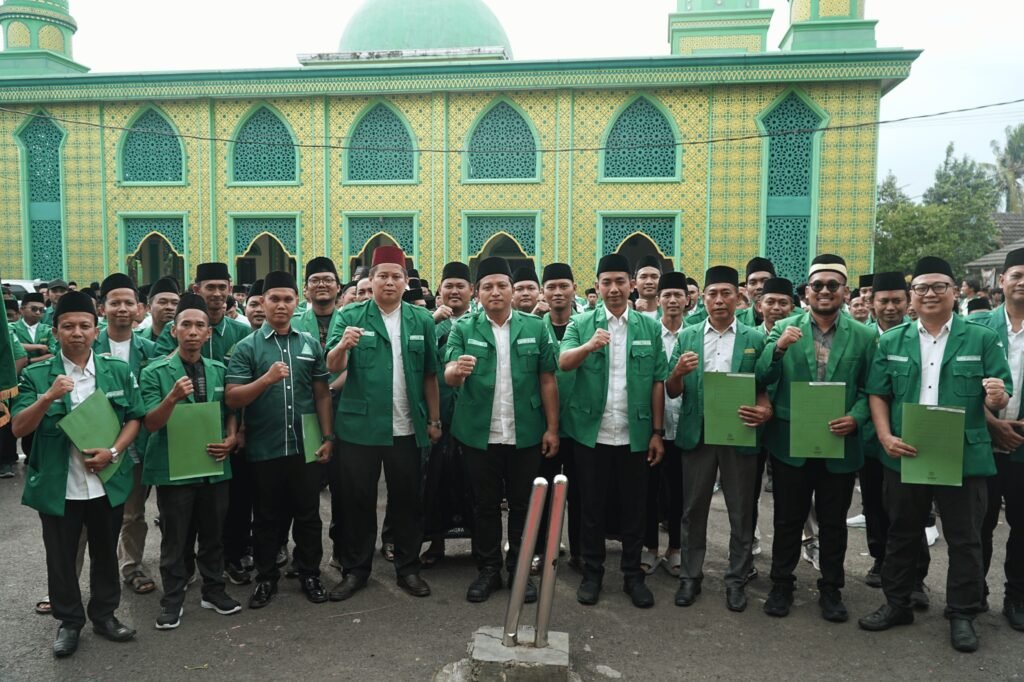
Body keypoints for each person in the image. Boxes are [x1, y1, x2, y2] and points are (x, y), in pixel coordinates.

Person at [859, 256, 1011, 653]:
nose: (930, 294)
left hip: (961, 454)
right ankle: (897, 603)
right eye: (922, 288)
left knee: (965, 537)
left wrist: (997, 397)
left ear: (954, 291)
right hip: (906, 449)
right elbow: (878, 393)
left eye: (939, 286)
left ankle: (962, 614)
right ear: (912, 295)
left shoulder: (980, 338)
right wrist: (885, 436)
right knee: (902, 532)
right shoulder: (892, 340)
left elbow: (999, 393)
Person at [11, 290, 145, 657]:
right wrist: (47, 397)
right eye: (68, 326)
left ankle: (104, 615)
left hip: (106, 482)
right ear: (55, 332)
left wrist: (113, 452)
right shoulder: (38, 375)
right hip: (59, 486)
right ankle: (69, 621)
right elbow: (19, 428)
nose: (77, 333)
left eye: (84, 326)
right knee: (61, 558)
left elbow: (134, 417)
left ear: (96, 330)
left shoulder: (116, 371)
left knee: (105, 553)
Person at [757, 255, 876, 622]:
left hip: (839, 442)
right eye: (817, 285)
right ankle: (781, 584)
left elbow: (871, 388)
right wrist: (778, 348)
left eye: (832, 285)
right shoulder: (785, 327)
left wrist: (856, 417)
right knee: (787, 519)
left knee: (833, 521)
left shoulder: (864, 335)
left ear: (845, 292)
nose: (825, 291)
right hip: (791, 441)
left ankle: (831, 588)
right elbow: (761, 376)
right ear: (806, 292)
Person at [325, 245, 442, 601]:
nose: (389, 282)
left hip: (406, 426)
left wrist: (434, 419)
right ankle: (356, 570)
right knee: (358, 502)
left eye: (396, 277)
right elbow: (331, 366)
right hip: (359, 429)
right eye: (382, 276)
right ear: (370, 280)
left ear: (406, 283)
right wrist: (343, 346)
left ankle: (408, 569)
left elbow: (430, 374)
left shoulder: (421, 319)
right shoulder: (350, 316)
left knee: (407, 501)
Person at [444, 256, 559, 603]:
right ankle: (489, 569)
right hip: (479, 434)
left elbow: (547, 379)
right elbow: (448, 372)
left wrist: (552, 428)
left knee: (524, 505)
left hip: (526, 433)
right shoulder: (464, 328)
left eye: (501, 285)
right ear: (477, 293)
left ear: (512, 290)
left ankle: (520, 571)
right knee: (485, 506)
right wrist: (457, 371)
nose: (495, 292)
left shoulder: (536, 327)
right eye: (488, 287)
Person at [559, 253, 667, 608]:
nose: (614, 288)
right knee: (591, 507)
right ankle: (592, 574)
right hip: (592, 434)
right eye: (606, 282)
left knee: (635, 508)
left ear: (631, 285)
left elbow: (657, 381)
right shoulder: (581, 323)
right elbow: (564, 361)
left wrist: (656, 432)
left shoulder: (649, 327)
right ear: (598, 286)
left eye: (621, 281)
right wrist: (589, 345)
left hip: (635, 433)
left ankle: (633, 576)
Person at [225, 271, 335, 609]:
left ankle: (310, 573)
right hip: (264, 445)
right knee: (266, 517)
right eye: (274, 299)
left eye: (288, 299)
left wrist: (328, 436)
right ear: (262, 302)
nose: (281, 305)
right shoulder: (247, 347)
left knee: (308, 514)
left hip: (304, 444)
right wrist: (266, 379)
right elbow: (233, 397)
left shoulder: (309, 344)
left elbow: (321, 394)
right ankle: (266, 577)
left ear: (297, 302)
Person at [666, 266, 772, 613]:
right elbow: (672, 389)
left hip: (738, 432)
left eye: (726, 293)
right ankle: (690, 576)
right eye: (712, 294)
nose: (719, 300)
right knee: (693, 509)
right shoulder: (689, 336)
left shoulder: (754, 339)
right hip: (698, 434)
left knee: (741, 511)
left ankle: (736, 579)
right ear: (703, 298)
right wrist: (678, 372)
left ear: (739, 297)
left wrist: (764, 408)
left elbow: (764, 385)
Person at [140, 294, 242, 629]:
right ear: (174, 330)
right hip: (175, 468)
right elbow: (150, 423)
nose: (193, 331)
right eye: (186, 325)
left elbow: (231, 411)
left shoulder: (219, 370)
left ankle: (214, 591)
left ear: (209, 333)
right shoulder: (155, 372)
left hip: (213, 465)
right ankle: (172, 600)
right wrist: (172, 398)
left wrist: (231, 437)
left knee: (214, 534)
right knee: (175, 539)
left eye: (200, 325)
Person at [859, 272, 930, 600]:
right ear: (871, 302)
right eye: (883, 301)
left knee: (910, 510)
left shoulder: (922, 337)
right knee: (874, 502)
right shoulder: (862, 337)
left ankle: (916, 575)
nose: (890, 307)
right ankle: (880, 559)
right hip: (869, 436)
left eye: (897, 301)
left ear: (908, 301)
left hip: (908, 436)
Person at [94, 274, 161, 597]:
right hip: (94, 441)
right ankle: (70, 580)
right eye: (115, 302)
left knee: (133, 513)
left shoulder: (151, 349)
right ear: (102, 308)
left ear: (139, 308)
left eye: (128, 303)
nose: (122, 308)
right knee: (86, 516)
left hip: (138, 443)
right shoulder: (87, 344)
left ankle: (131, 566)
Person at [972, 247, 1024, 631]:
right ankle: (974, 593)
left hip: (1023, 446)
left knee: (1022, 527)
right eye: (1017, 275)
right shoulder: (978, 327)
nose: (1022, 283)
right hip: (984, 442)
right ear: (1001, 280)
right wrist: (992, 423)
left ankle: (1016, 597)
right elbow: (959, 385)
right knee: (979, 524)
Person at [421, 261, 476, 568]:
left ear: (471, 290)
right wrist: (433, 321)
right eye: (449, 286)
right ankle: (436, 542)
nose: (454, 291)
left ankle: (481, 543)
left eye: (460, 286)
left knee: (474, 480)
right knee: (436, 479)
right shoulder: (428, 322)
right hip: (438, 411)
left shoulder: (481, 321)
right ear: (439, 290)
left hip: (473, 412)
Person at [538, 263, 582, 570]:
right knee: (543, 491)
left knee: (581, 495)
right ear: (543, 292)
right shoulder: (533, 328)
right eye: (551, 287)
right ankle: (542, 549)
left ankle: (581, 552)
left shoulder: (588, 327)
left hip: (581, 427)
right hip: (543, 427)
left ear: (574, 289)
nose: (557, 292)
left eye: (563, 286)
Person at [645, 271, 688, 577]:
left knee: (679, 492)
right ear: (658, 299)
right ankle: (649, 547)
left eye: (678, 295)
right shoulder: (647, 331)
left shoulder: (695, 334)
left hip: (685, 426)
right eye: (667, 295)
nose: (672, 300)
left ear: (688, 300)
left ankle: (675, 548)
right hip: (651, 427)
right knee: (648, 490)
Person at [154, 263, 253, 363]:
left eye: (222, 288)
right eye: (210, 288)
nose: (217, 293)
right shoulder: (175, 329)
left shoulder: (242, 332)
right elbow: (157, 366)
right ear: (197, 290)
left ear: (229, 290)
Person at [12, 293, 56, 364]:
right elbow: (10, 346)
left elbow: (53, 353)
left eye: (41, 310)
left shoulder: (48, 330)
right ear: (22, 310)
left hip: (41, 368)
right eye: (34, 309)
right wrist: (39, 347)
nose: (38, 312)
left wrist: (29, 360)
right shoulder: (12, 327)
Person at [136, 278, 180, 345]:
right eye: (162, 302)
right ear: (149, 308)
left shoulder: (187, 339)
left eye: (175, 303)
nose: (169, 307)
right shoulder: (136, 340)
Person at [738, 257, 775, 328]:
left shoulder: (794, 318)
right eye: (753, 283)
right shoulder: (737, 320)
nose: (759, 287)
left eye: (765, 281)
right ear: (746, 288)